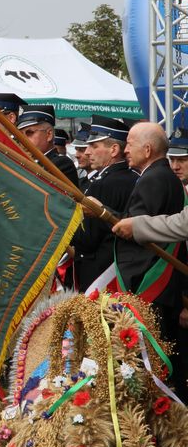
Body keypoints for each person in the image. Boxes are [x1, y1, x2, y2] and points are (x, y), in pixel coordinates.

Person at [100, 122, 187, 400]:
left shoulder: (154, 178)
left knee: (155, 366)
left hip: (154, 285)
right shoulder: (162, 177)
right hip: (167, 288)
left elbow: (134, 234)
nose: (125, 150)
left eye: (129, 144)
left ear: (147, 149)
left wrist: (105, 215)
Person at [70, 116, 137, 291]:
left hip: (99, 274)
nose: (87, 152)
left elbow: (88, 238)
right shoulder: (131, 178)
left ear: (114, 149)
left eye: (94, 146)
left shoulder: (104, 183)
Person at [16, 104, 80, 187]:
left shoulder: (61, 164)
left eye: (29, 133)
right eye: (20, 134)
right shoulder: (25, 162)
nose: (23, 139)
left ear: (49, 134)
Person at [72, 122, 96, 191]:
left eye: (81, 150)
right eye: (76, 150)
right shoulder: (82, 180)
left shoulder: (100, 182)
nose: (76, 155)